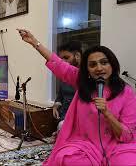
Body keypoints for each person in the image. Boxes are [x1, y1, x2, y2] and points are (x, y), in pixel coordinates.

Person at [17, 29, 136, 165]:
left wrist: (107, 113)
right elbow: (59, 64)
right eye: (92, 65)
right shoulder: (82, 81)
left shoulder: (126, 92)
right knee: (69, 159)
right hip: (85, 144)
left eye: (104, 62)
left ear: (113, 65)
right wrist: (34, 42)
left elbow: (127, 135)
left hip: (117, 145)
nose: (99, 68)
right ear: (88, 71)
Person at [52, 41, 82, 131]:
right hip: (63, 116)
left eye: (66, 57)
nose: (63, 62)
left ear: (77, 56)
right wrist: (56, 106)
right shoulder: (65, 77)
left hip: (79, 121)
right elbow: (60, 96)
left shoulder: (85, 77)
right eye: (61, 59)